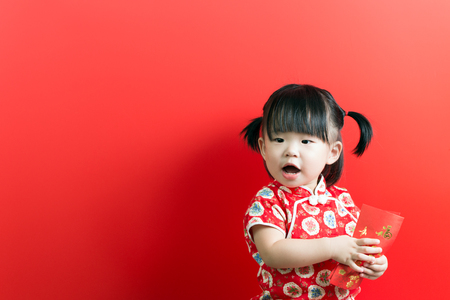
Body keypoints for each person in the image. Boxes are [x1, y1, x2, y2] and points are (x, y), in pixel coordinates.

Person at [242, 84, 388, 299]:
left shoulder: (342, 200)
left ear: (332, 152)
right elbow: (272, 252)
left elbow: (358, 247)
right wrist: (331, 247)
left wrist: (374, 263)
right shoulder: (268, 201)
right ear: (264, 148)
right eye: (279, 140)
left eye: (306, 141)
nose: (291, 150)